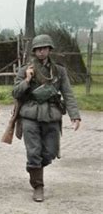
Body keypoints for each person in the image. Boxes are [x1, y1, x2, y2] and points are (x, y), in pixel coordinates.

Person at [12, 34, 81, 202]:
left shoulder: (58, 70)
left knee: (49, 152)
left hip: (52, 114)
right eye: (38, 49)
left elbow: (68, 93)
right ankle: (38, 185)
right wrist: (27, 80)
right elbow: (15, 92)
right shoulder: (25, 69)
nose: (41, 52)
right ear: (34, 51)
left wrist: (75, 115)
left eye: (44, 48)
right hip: (30, 114)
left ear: (50, 50)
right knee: (34, 151)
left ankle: (33, 169)